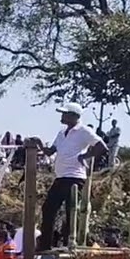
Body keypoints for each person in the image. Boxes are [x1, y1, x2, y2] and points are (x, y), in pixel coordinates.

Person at [37, 102, 107, 251]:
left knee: (72, 212)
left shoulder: (84, 131)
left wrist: (85, 156)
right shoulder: (61, 133)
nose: (62, 116)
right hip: (61, 176)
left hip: (75, 177)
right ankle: (45, 245)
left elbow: (101, 146)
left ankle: (70, 244)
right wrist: (40, 144)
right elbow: (51, 151)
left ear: (74, 116)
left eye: (65, 114)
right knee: (48, 208)